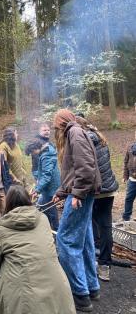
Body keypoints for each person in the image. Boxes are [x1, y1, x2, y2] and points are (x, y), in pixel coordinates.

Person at [0, 184, 76, 314]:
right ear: (28, 200)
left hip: (23, 292)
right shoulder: (43, 219)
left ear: (8, 204)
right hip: (55, 282)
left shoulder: (1, 230)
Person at [53, 109, 101, 313]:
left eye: (56, 127)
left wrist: (78, 195)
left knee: (65, 240)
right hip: (81, 192)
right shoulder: (77, 131)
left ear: (62, 123)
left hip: (82, 194)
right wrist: (62, 192)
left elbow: (86, 167)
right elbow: (74, 169)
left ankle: (80, 294)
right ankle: (92, 287)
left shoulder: (74, 133)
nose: (56, 131)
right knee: (85, 240)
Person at [77, 116, 118, 282]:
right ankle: (104, 265)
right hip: (109, 189)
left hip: (96, 190)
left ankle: (95, 259)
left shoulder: (84, 140)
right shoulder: (99, 136)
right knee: (105, 225)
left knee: (91, 223)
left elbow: (85, 168)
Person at [32, 139, 60, 231]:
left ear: (36, 148)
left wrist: (37, 189)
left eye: (33, 152)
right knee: (43, 207)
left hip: (50, 188)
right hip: (49, 187)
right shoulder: (46, 152)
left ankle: (56, 230)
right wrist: (37, 176)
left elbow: (47, 176)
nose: (34, 154)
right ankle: (48, 229)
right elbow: (43, 171)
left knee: (50, 210)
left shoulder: (46, 156)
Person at [122, 138, 136, 222]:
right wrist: (125, 176)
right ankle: (126, 218)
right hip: (132, 179)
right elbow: (126, 161)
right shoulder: (130, 147)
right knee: (129, 198)